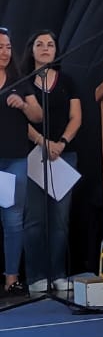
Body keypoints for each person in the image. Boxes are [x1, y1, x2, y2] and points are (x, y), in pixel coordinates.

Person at [22, 30, 83, 295]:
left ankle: (58, 274)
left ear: (56, 50)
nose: (45, 48)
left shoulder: (67, 81)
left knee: (60, 220)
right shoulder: (23, 82)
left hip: (64, 156)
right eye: (39, 44)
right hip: (33, 156)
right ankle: (36, 276)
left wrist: (62, 143)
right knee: (34, 220)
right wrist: (43, 142)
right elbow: (20, 120)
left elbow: (76, 117)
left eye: (50, 44)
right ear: (31, 50)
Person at [0, 27, 41, 296]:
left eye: (8, 47)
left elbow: (38, 116)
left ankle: (11, 279)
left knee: (13, 220)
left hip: (14, 159)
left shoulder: (19, 81)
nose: (5, 52)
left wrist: (24, 106)